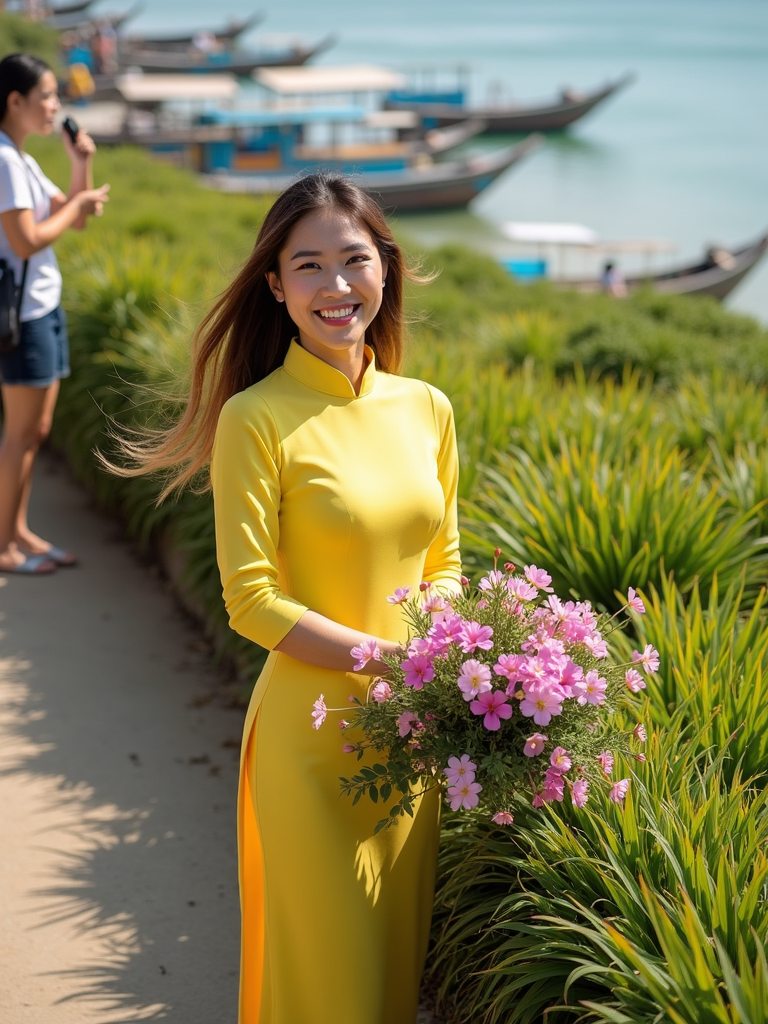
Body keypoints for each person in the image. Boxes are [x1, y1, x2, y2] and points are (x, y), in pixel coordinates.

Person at [111, 172, 462, 1023]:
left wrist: (448, 655)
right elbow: (252, 602)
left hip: (411, 742)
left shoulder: (427, 409)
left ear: (388, 266)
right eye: (309, 267)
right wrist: (386, 662)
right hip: (310, 742)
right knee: (326, 981)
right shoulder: (256, 418)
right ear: (276, 285)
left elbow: (445, 557)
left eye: (354, 261)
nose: (335, 287)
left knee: (386, 975)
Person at [0, 54, 110, 573]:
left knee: (35, 431)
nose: (55, 105)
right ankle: (2, 548)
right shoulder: (3, 161)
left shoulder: (19, 158)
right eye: (46, 95)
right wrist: (76, 205)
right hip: (23, 313)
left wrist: (79, 162)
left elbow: (74, 216)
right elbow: (26, 241)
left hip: (39, 305)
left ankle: (17, 530)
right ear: (13, 101)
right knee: (21, 434)